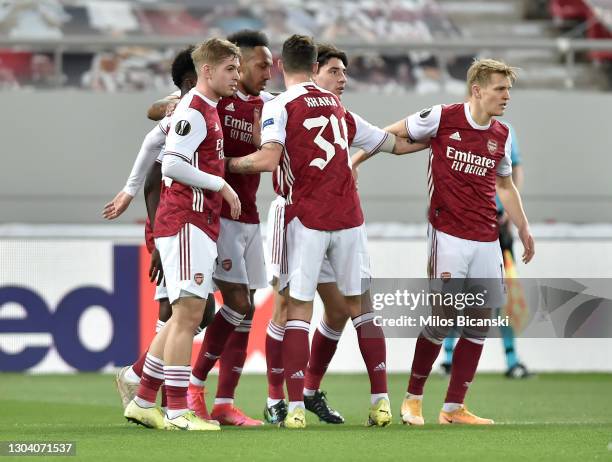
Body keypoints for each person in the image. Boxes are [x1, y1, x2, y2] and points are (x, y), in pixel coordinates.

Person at [227, 35, 420, 429]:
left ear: (281, 66)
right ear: (315, 67)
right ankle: (379, 400)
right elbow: (395, 144)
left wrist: (224, 165)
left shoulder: (278, 105)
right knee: (361, 307)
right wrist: (443, 130)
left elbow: (268, 158)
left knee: (296, 308)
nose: (342, 79)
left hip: (304, 216)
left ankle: (295, 403)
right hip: (349, 218)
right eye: (335, 71)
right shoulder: (339, 109)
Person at [371, 58, 535, 425]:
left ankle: (453, 407)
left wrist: (523, 228)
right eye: (500, 88)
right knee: (442, 317)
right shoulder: (442, 116)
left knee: (480, 319)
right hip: (447, 234)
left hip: (487, 238)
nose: (507, 96)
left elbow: (505, 185)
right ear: (477, 90)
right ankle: (413, 399)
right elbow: (391, 131)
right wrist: (355, 159)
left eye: (508, 89)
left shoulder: (502, 135)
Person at [122, 38, 242, 431]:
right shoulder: (193, 108)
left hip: (197, 220)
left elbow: (153, 140)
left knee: (180, 316)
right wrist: (221, 185)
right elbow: (171, 163)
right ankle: (178, 410)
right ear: (206, 71)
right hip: (187, 219)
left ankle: (142, 401)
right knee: (189, 315)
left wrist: (127, 188)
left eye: (239, 69)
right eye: (230, 69)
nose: (237, 77)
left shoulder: (204, 107)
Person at [102, 46, 216, 411]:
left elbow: (154, 119)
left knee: (195, 311)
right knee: (179, 310)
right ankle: (165, 399)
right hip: (172, 224)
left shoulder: (194, 107)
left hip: (190, 221)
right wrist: (155, 243)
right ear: (195, 77)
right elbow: (157, 175)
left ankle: (143, 381)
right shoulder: (187, 111)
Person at [187, 29, 273, 427]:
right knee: (235, 303)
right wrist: (235, 167)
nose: (268, 72)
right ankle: (192, 387)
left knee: (247, 308)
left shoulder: (267, 104)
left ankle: (224, 402)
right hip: (217, 215)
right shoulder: (215, 102)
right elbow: (161, 112)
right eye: (261, 64)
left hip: (251, 216)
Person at [441, 122, 532, 379]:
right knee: (457, 294)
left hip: (498, 228)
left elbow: (514, 172)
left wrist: (510, 212)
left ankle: (512, 360)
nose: (505, 96)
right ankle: (448, 358)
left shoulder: (506, 131)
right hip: (464, 227)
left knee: (503, 296)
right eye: (500, 89)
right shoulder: (454, 127)